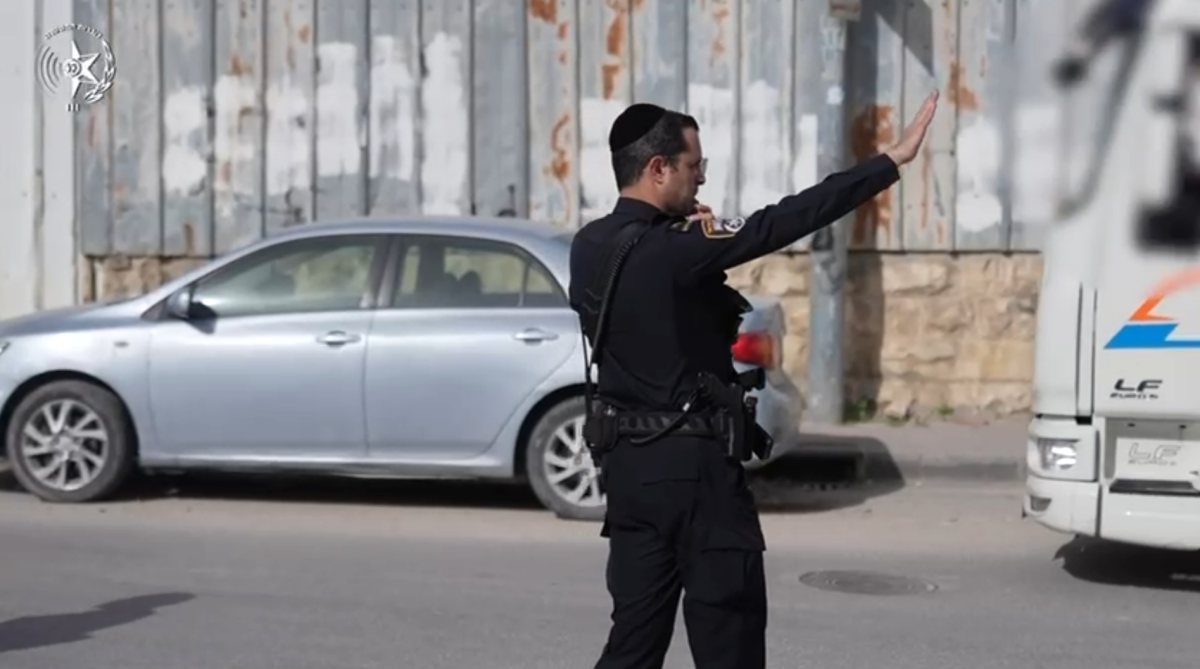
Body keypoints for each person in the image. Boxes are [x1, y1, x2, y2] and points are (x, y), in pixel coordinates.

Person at [567, 90, 939, 669]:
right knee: (729, 640)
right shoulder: (680, 249)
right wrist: (889, 162)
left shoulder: (589, 246)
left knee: (633, 645)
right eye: (695, 167)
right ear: (658, 168)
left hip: (630, 472)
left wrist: (684, 236)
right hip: (698, 476)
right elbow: (785, 219)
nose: (700, 180)